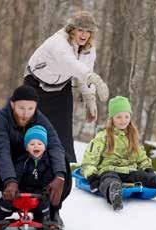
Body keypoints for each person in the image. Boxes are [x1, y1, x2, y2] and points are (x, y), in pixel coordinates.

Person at [0, 85, 71, 230]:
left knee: (62, 161)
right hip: (8, 174)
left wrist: (59, 176)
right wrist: (10, 180)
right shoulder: (0, 119)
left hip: (34, 173)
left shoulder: (40, 119)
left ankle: (53, 210)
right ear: (12, 104)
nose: (26, 113)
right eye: (21, 108)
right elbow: (3, 152)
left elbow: (55, 146)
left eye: (31, 109)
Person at [81, 96, 156, 211]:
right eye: (119, 117)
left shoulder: (132, 136)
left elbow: (141, 157)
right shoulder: (103, 136)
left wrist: (147, 169)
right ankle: (114, 193)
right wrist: (92, 177)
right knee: (109, 179)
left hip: (130, 171)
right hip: (109, 169)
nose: (123, 120)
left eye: (126, 116)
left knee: (153, 179)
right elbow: (89, 160)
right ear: (111, 118)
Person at [24, 10, 109, 163]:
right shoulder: (58, 42)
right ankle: (28, 164)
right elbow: (71, 64)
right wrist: (93, 77)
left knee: (63, 131)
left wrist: (90, 100)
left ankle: (66, 165)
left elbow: (84, 74)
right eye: (80, 30)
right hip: (35, 85)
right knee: (34, 129)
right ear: (72, 30)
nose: (84, 35)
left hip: (61, 87)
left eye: (88, 31)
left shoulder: (89, 49)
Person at [0, 125, 60, 230]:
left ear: (45, 147)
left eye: (40, 144)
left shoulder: (47, 163)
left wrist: (45, 192)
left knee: (44, 204)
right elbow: (16, 177)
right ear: (26, 147)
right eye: (32, 144)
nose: (36, 146)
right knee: (7, 202)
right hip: (20, 193)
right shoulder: (22, 161)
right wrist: (14, 189)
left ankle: (44, 221)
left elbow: (47, 180)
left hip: (36, 195)